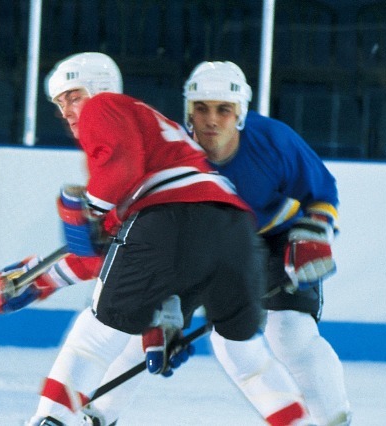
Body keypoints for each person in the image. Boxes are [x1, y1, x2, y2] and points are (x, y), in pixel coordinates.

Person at [0, 52, 313, 426]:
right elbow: (111, 251)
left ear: (98, 88)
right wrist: (39, 281)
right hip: (234, 229)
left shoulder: (103, 107)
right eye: (61, 104)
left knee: (95, 334)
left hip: (169, 219)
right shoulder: (155, 130)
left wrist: (85, 209)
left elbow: (121, 180)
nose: (69, 111)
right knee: (244, 355)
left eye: (72, 96)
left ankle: (50, 420)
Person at [85, 61, 350, 426]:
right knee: (137, 333)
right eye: (202, 108)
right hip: (200, 246)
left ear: (240, 113)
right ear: (188, 111)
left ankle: (335, 421)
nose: (211, 120)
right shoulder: (168, 153)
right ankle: (96, 417)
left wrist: (313, 235)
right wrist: (161, 313)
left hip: (271, 240)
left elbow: (321, 193)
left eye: (223, 110)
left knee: (290, 333)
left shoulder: (275, 141)